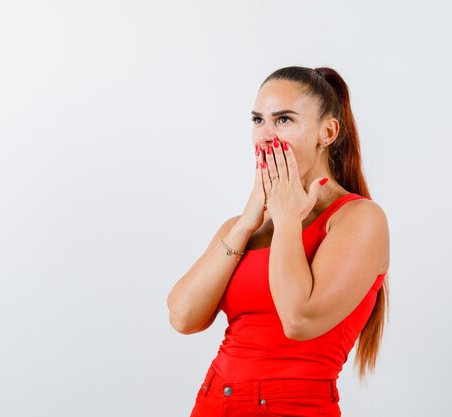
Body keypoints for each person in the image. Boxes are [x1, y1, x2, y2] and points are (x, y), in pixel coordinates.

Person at [167, 66, 390, 417]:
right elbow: (182, 317)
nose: (264, 135)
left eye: (283, 120)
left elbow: (300, 320)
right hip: (211, 402)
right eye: (258, 120)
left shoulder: (359, 219)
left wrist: (287, 220)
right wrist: (245, 223)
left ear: (327, 132)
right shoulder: (244, 226)